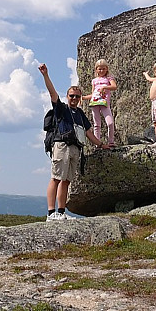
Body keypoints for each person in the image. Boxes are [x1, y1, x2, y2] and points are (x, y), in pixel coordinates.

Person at [38, 63, 107, 221]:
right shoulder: (61, 109)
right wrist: (45, 75)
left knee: (66, 181)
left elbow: (88, 132)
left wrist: (101, 145)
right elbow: (52, 93)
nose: (74, 99)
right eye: (71, 96)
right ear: (67, 97)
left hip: (75, 148)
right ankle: (50, 213)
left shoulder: (80, 113)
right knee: (56, 178)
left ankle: (61, 212)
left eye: (77, 96)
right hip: (61, 145)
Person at [87, 58, 118, 147]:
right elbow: (93, 94)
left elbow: (114, 86)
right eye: (99, 69)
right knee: (97, 124)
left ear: (107, 69)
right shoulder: (94, 81)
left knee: (110, 123)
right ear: (96, 69)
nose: (101, 70)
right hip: (95, 103)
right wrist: (85, 97)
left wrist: (105, 87)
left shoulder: (109, 78)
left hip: (104, 103)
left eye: (103, 68)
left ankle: (111, 142)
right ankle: (98, 144)